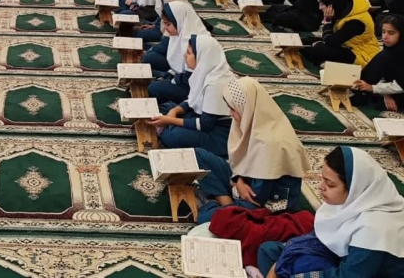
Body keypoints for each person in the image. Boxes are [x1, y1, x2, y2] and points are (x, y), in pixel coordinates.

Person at [258, 146, 404, 278]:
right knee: (268, 251)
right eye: (323, 179)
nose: (321, 187)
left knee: (297, 267)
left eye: (330, 184)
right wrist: (282, 261)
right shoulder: (352, 202)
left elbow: (348, 276)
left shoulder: (373, 230)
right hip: (338, 258)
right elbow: (319, 238)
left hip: (357, 273)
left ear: (354, 188)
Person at [194, 77, 310, 224]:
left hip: (265, 204)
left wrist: (238, 184)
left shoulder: (271, 144)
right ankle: (224, 203)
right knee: (198, 155)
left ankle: (220, 204)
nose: (230, 114)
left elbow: (256, 197)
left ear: (246, 107)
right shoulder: (255, 121)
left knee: (205, 217)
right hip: (246, 184)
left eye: (233, 109)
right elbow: (243, 165)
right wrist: (239, 180)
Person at [147, 35, 233, 157]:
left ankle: (165, 128)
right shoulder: (203, 73)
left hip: (218, 132)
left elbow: (205, 125)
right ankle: (166, 126)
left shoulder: (214, 85)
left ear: (202, 57)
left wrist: (170, 120)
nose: (185, 56)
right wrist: (174, 111)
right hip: (201, 117)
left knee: (173, 136)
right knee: (167, 107)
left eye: (188, 53)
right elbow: (193, 100)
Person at [302, 0, 379, 67]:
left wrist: (327, 22)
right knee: (304, 42)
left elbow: (331, 42)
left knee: (319, 49)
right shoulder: (343, 7)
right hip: (347, 46)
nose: (320, 8)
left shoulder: (356, 22)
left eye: (322, 4)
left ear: (332, 4)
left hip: (362, 55)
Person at [351, 15, 404, 112]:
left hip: (400, 88)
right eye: (383, 32)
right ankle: (363, 90)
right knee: (383, 56)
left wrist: (372, 88)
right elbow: (384, 73)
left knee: (380, 104)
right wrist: (386, 94)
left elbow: (401, 84)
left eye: (391, 33)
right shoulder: (391, 49)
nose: (385, 36)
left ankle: (364, 92)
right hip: (394, 86)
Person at [144, 0, 209, 73]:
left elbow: (190, 75)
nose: (165, 28)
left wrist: (162, 76)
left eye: (168, 24)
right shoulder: (179, 30)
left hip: (188, 77)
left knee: (149, 59)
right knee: (149, 58)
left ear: (178, 21)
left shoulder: (195, 42)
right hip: (177, 71)